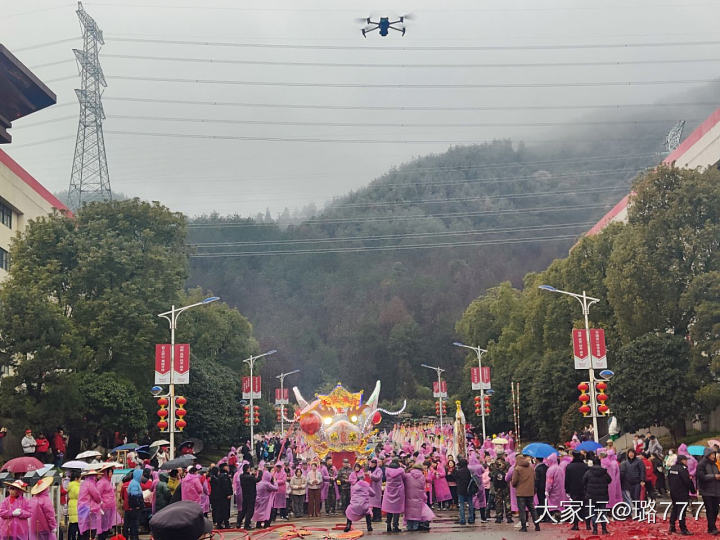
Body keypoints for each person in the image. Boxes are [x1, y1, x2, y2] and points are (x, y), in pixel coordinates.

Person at [512, 454, 540, 533]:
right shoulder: (531, 468)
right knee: (532, 509)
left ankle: (524, 527)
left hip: (521, 492)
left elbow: (514, 481)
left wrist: (514, 484)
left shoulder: (517, 469)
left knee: (522, 510)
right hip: (530, 492)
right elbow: (535, 478)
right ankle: (537, 525)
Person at [404, 459, 435, 531]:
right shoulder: (422, 477)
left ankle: (409, 527)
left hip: (408, 498)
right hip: (418, 498)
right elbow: (423, 488)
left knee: (409, 514)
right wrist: (425, 498)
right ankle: (415, 528)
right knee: (416, 515)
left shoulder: (407, 476)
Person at [583, 456, 611, 535]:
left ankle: (595, 529)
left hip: (591, 496)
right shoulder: (604, 472)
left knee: (593, 513)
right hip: (603, 496)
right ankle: (604, 529)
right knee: (603, 513)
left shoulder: (588, 472)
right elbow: (609, 480)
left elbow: (583, 481)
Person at [668, 454, 693, 536]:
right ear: (682, 460)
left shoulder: (671, 468)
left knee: (675, 508)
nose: (687, 462)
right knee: (682, 510)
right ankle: (683, 529)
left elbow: (668, 479)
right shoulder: (683, 469)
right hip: (682, 493)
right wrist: (693, 490)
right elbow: (687, 481)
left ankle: (672, 525)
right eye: (686, 460)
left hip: (673, 493)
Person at [698, 446, 720, 535]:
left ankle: (712, 527)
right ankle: (712, 527)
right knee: (710, 510)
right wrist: (714, 476)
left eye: (714, 454)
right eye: (711, 454)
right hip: (706, 491)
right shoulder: (701, 465)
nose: (713, 456)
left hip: (716, 491)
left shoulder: (715, 465)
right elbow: (701, 476)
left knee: (715, 509)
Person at [565, 451, 589, 531]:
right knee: (586, 507)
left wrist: (567, 490)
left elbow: (567, 480)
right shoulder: (585, 466)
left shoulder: (569, 467)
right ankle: (588, 525)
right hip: (584, 489)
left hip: (574, 490)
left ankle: (575, 525)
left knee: (575, 507)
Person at [381, 457, 405, 532]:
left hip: (389, 491)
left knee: (389, 509)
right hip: (398, 491)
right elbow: (404, 478)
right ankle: (395, 526)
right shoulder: (401, 471)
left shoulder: (387, 471)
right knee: (396, 510)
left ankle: (388, 525)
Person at [97, 465, 120, 540]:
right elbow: (97, 494)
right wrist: (102, 503)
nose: (111, 473)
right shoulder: (102, 482)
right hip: (104, 508)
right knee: (104, 527)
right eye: (109, 471)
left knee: (107, 528)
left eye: (111, 471)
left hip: (110, 507)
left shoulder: (108, 481)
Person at [78, 470, 102, 540]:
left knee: (85, 530)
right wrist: (99, 501)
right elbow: (97, 496)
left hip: (82, 509)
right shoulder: (91, 484)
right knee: (91, 530)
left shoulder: (84, 483)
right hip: (89, 509)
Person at [489, 452, 512, 523]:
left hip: (497, 487)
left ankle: (499, 517)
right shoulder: (507, 464)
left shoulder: (493, 465)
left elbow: (490, 475)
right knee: (507, 502)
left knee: (498, 502)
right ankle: (509, 517)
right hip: (506, 486)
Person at [210, 464, 233, 529]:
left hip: (219, 496)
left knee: (220, 510)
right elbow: (226, 486)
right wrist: (228, 493)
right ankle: (226, 524)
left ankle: (219, 523)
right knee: (225, 510)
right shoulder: (224, 475)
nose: (228, 467)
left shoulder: (220, 476)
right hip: (224, 496)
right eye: (227, 466)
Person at [454, 457, 474, 525]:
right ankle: (471, 518)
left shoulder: (458, 471)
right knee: (470, 504)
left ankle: (462, 519)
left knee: (462, 505)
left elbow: (454, 477)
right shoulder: (469, 471)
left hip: (461, 489)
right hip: (469, 489)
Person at [238, 465, 258, 529]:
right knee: (250, 511)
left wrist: (252, 474)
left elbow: (249, 477)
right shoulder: (250, 477)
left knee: (243, 510)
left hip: (244, 495)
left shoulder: (241, 476)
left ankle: (239, 522)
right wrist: (260, 472)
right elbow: (257, 480)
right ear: (248, 469)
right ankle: (247, 524)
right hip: (251, 495)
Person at [67, 471, 81, 540]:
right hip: (76, 506)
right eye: (80, 478)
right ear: (76, 478)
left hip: (72, 505)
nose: (80, 480)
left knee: (72, 525)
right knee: (76, 526)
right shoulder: (76, 486)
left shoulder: (71, 485)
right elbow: (79, 495)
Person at [534, 454, 549, 521]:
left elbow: (536, 479)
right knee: (544, 501)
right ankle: (545, 515)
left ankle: (542, 515)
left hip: (540, 488)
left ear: (537, 459)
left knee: (540, 501)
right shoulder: (546, 467)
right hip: (545, 486)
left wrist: (535, 487)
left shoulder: (537, 468)